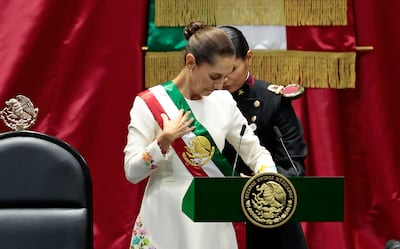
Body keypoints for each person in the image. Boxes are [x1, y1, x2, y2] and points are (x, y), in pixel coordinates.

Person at [124, 21, 279, 249]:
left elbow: (256, 153)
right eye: (214, 76)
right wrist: (163, 141)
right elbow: (132, 172)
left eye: (225, 77)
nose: (220, 85)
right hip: (165, 216)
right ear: (191, 63)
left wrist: (266, 178)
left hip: (211, 218)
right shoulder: (149, 103)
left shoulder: (224, 101)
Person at [220, 25, 309, 249]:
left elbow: (293, 163)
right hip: (218, 211)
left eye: (231, 69)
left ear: (248, 58)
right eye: (217, 70)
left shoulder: (273, 99)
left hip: (268, 214)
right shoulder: (203, 101)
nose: (224, 78)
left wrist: (260, 184)